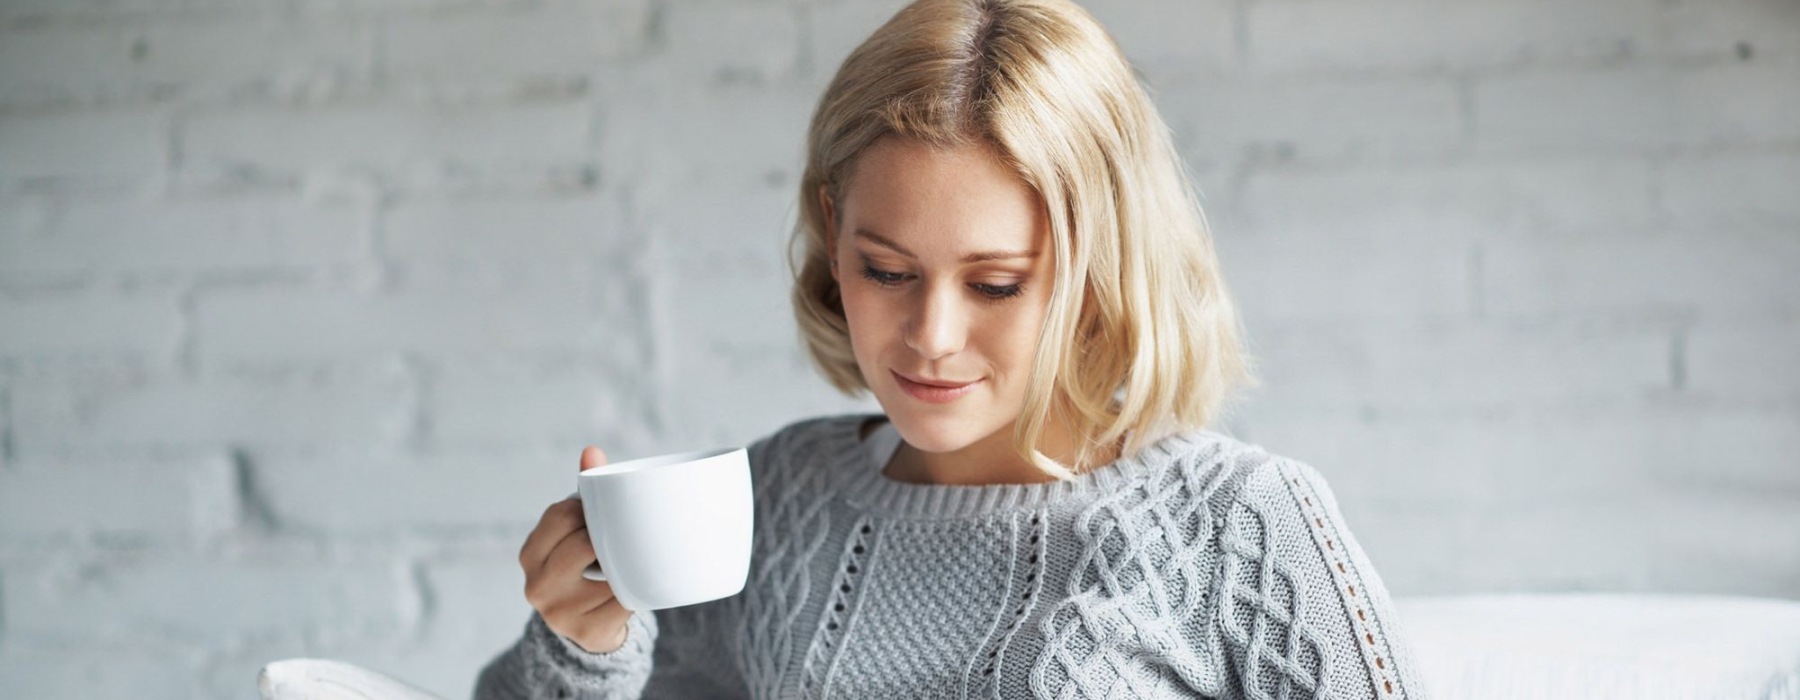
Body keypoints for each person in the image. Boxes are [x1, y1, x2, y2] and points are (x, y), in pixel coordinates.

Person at [475, 0, 1430, 697]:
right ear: (830, 233)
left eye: (996, 284)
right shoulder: (775, 505)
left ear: (1102, 269)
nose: (930, 338)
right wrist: (580, 643)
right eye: (886, 271)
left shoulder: (1238, 524)